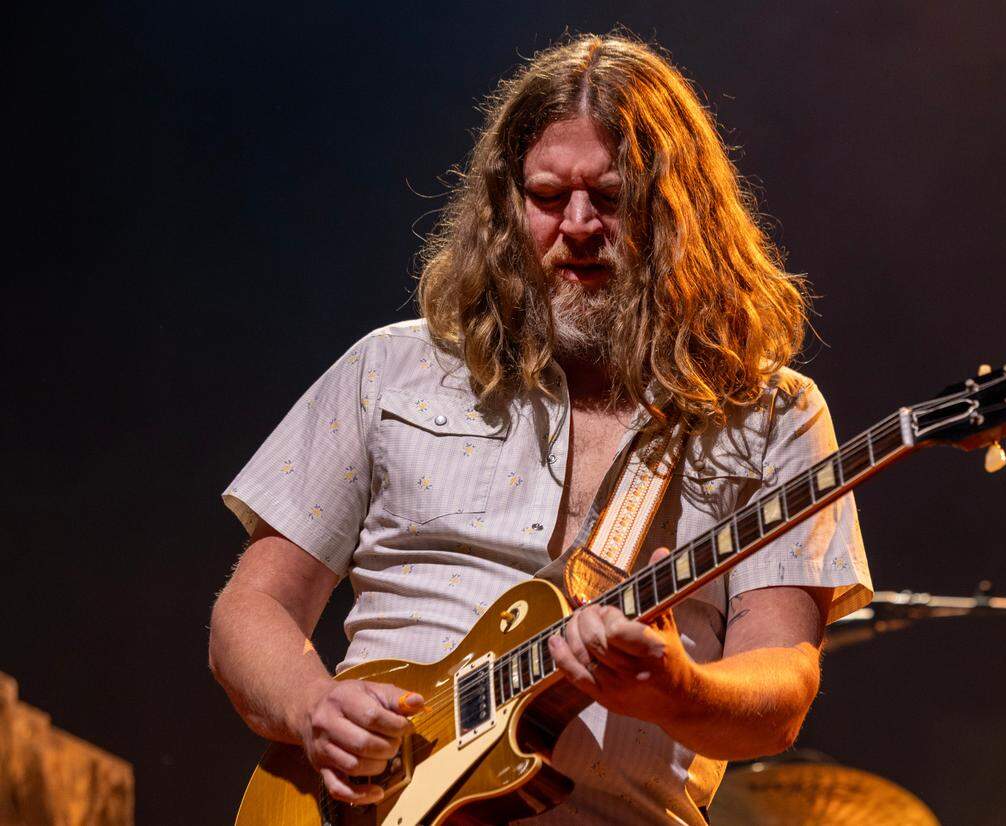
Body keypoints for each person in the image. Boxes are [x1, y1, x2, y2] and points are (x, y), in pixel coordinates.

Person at [208, 34, 872, 825]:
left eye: (614, 198)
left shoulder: (770, 414)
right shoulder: (390, 370)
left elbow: (781, 686)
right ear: (504, 204)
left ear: (680, 211)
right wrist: (315, 707)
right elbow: (250, 612)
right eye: (549, 196)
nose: (580, 226)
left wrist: (677, 688)